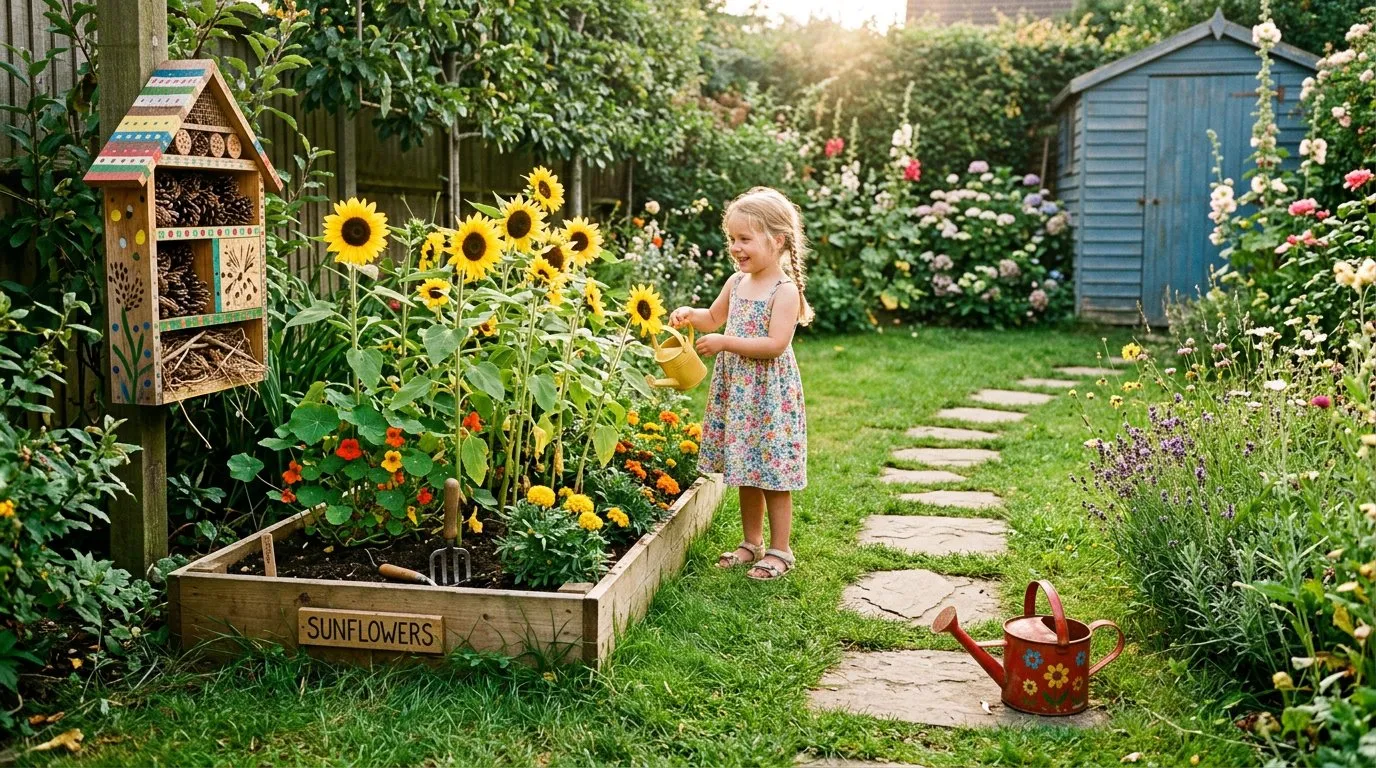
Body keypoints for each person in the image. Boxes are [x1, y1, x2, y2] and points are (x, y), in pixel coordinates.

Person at [669, 186, 812, 581]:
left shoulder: (785, 292)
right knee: (746, 470)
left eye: (745, 239)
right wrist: (690, 315)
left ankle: (781, 550)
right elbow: (713, 317)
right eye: (732, 238)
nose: (736, 246)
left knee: (773, 474)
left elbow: (774, 345)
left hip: (768, 396)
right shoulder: (736, 282)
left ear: (777, 240)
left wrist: (725, 343)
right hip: (740, 394)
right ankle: (752, 543)